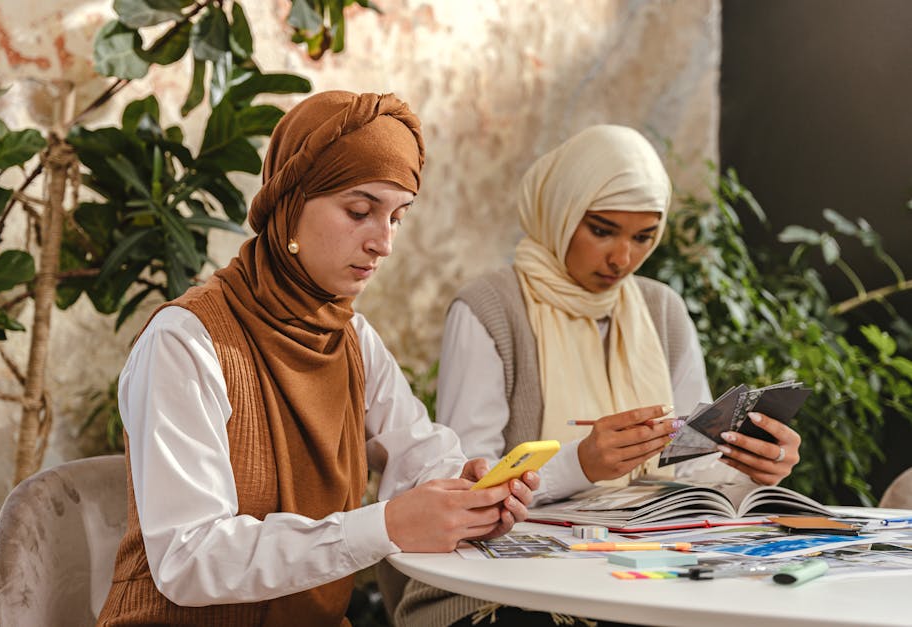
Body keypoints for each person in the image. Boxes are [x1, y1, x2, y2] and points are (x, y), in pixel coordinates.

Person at [96, 90, 538, 627]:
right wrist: (386, 526)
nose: (384, 243)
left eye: (397, 217)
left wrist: (467, 489)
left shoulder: (350, 337)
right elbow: (188, 557)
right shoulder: (185, 342)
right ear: (289, 204)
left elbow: (415, 450)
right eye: (360, 211)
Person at [387, 125, 803, 626]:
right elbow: (467, 484)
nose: (622, 258)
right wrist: (581, 463)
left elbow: (690, 465)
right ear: (559, 212)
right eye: (603, 230)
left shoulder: (662, 310)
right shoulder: (491, 309)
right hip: (502, 587)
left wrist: (751, 464)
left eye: (644, 236)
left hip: (643, 573)